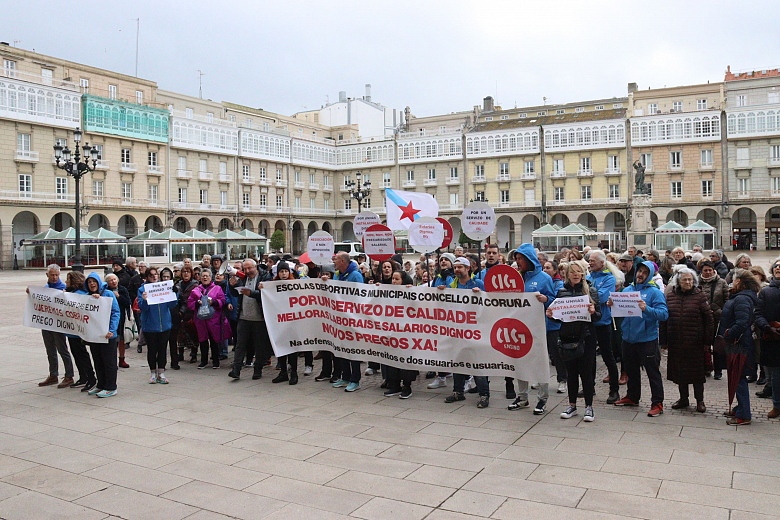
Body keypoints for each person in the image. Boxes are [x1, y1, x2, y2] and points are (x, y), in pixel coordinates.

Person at [609, 261, 668, 417]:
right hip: (628, 338)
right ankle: (632, 397)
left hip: (647, 339)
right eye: (639, 271)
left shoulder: (655, 292)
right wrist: (612, 305)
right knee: (631, 370)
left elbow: (663, 314)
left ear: (650, 275)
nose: (640, 274)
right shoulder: (627, 290)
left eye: (644, 272)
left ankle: (657, 403)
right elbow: (619, 312)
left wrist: (646, 309)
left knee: (652, 373)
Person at [546, 260, 600, 421]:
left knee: (586, 374)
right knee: (571, 374)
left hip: (586, 337)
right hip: (567, 337)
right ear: (567, 274)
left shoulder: (591, 291)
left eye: (578, 271)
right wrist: (551, 315)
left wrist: (593, 312)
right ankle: (572, 405)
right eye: (572, 272)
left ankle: (589, 407)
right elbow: (559, 318)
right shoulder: (562, 292)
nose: (576, 274)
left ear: (583, 273)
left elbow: (599, 316)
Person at [508, 244, 556, 414]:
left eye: (520, 258)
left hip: (538, 328)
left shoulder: (544, 278)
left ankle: (542, 399)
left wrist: (546, 299)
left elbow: (553, 301)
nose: (518, 262)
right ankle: (522, 397)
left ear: (529, 259)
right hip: (519, 327)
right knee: (519, 362)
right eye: (516, 259)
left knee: (540, 363)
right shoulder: (515, 277)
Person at [662, 268, 714, 413]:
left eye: (690, 279)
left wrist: (707, 341)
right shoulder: (671, 296)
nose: (688, 282)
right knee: (680, 373)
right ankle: (683, 399)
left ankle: (700, 401)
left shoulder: (699, 295)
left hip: (695, 343)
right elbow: (664, 319)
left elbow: (709, 320)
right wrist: (664, 341)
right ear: (678, 281)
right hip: (676, 342)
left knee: (697, 375)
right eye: (684, 279)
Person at [439, 257, 489, 408]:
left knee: (477, 363)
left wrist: (481, 294)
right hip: (458, 331)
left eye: (460, 267)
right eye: (455, 267)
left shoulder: (477, 283)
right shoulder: (452, 285)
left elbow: (489, 302)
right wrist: (441, 292)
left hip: (475, 331)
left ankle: (484, 394)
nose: (457, 270)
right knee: (458, 362)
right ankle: (458, 392)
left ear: (468, 269)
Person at [720, 270, 760, 425]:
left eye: (735, 280)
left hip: (739, 344)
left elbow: (742, 323)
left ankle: (744, 414)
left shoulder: (742, 298)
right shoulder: (742, 296)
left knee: (739, 377)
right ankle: (740, 408)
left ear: (740, 282)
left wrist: (728, 334)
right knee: (737, 377)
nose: (732, 282)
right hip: (738, 342)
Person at [326, 252, 365, 392]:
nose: (333, 261)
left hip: (352, 319)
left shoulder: (355, 275)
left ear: (343, 261)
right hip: (340, 319)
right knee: (342, 349)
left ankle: (355, 380)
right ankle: (345, 376)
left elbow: (361, 296)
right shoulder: (337, 275)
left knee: (353, 349)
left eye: (335, 259)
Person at [587, 250, 621, 404]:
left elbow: (601, 297)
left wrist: (586, 297)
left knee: (608, 356)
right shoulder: (588, 277)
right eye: (589, 260)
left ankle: (614, 390)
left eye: (593, 260)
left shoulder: (609, 278)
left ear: (602, 263)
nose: (590, 263)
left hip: (603, 322)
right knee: (589, 357)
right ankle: (589, 387)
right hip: (589, 322)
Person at [229, 259, 270, 380]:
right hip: (243, 316)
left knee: (259, 346)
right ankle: (236, 370)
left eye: (249, 268)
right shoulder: (242, 278)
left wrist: (251, 293)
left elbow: (266, 294)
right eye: (245, 269)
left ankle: (258, 370)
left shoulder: (265, 277)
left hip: (259, 318)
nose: (247, 271)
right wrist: (232, 286)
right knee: (240, 345)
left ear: (255, 266)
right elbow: (236, 293)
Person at [34, 264, 74, 388]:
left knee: (62, 350)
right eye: (52, 275)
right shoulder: (45, 288)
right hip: (47, 323)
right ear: (47, 275)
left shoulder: (63, 288)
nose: (55, 277)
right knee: (50, 350)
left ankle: (69, 376)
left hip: (59, 324)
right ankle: (53, 375)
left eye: (56, 275)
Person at [83, 272, 121, 398]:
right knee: (98, 360)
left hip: (108, 334)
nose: (92, 284)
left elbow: (115, 312)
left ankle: (111, 387)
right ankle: (101, 384)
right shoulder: (86, 296)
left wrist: (112, 329)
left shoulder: (108, 294)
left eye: (94, 281)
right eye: (89, 282)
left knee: (109, 362)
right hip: (95, 335)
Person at [138, 267, 178, 384]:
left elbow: (172, 304)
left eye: (155, 274)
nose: (154, 277)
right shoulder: (142, 289)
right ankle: (152, 373)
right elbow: (142, 308)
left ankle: (161, 372)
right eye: (151, 275)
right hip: (150, 325)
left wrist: (174, 293)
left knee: (162, 349)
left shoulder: (164, 287)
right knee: (152, 350)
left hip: (164, 324)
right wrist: (144, 300)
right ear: (147, 277)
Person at [188, 269, 230, 369]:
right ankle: (204, 361)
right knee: (203, 340)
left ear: (211, 278)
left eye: (207, 276)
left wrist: (214, 302)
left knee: (214, 340)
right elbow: (189, 303)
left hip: (213, 319)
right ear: (200, 278)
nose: (205, 277)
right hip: (200, 320)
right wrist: (196, 303)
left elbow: (223, 300)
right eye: (203, 276)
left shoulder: (217, 288)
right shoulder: (195, 290)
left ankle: (216, 361)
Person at [271, 263, 304, 385]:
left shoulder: (295, 284)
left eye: (286, 271)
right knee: (281, 347)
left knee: (292, 348)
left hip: (292, 322)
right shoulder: (272, 285)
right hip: (279, 322)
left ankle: (294, 373)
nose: (284, 274)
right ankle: (283, 372)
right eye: (281, 272)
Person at [755, 259, 780, 419]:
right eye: (776, 266)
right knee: (775, 376)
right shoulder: (766, 292)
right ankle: (777, 405)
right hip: (772, 339)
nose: (779, 268)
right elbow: (758, 314)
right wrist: (768, 328)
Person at [64, 271, 96, 391]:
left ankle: (90, 378)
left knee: (82, 355)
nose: (66, 282)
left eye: (68, 279)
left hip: (78, 331)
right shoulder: (71, 293)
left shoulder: (79, 294)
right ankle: (83, 377)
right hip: (72, 331)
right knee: (77, 354)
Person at [699, 260, 728, 380]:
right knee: (703, 344)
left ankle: (718, 370)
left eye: (710, 270)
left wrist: (720, 311)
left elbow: (727, 300)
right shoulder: (697, 282)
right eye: (705, 270)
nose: (708, 272)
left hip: (717, 318)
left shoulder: (722, 282)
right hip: (701, 318)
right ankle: (705, 367)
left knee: (717, 345)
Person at [105, 273, 131, 369]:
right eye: (111, 280)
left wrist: (119, 297)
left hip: (122, 317)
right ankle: (113, 360)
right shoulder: (106, 291)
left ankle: (122, 359)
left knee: (121, 339)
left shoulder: (122, 289)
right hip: (109, 318)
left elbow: (128, 302)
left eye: (115, 279)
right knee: (113, 341)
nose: (113, 281)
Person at [175, 265, 200, 363]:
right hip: (180, 313)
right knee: (180, 335)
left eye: (188, 272)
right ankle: (180, 354)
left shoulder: (195, 285)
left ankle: (194, 354)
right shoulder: (178, 285)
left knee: (193, 334)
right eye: (184, 272)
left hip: (191, 313)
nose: (186, 274)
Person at [160, 267, 181, 370]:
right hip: (162, 317)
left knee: (173, 341)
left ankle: (174, 362)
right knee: (162, 343)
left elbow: (177, 302)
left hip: (173, 316)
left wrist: (175, 293)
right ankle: (162, 363)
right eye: (164, 277)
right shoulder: (157, 288)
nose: (166, 279)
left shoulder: (175, 288)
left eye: (168, 277)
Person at [129, 261, 147, 352]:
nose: (140, 268)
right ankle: (140, 342)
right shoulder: (134, 278)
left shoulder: (150, 280)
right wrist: (136, 298)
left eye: (142, 266)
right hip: (138, 305)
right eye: (139, 266)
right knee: (140, 323)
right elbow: (130, 290)